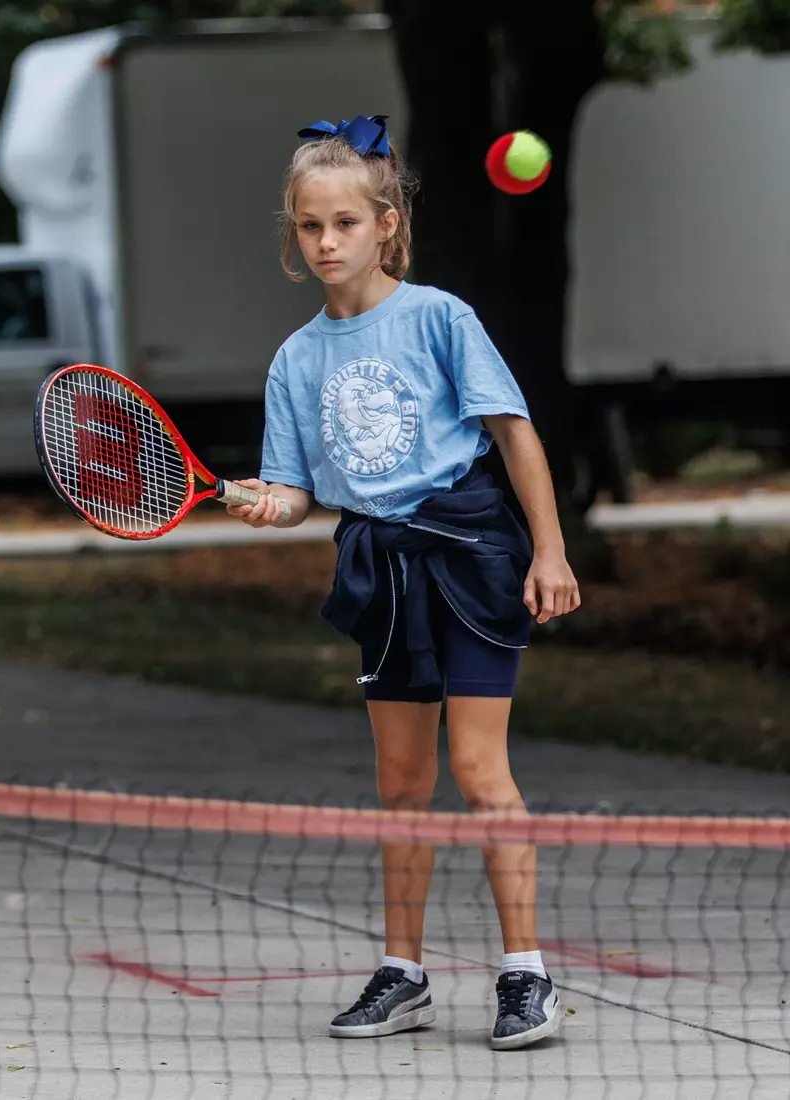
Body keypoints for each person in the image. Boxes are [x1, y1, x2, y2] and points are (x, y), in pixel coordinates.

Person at [227, 114, 581, 1050]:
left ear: (385, 223)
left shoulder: (438, 318)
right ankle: (403, 973)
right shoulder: (295, 360)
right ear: (295, 236)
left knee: (477, 767)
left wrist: (549, 551)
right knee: (400, 778)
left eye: (346, 222)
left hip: (469, 551)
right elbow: (297, 489)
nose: (329, 240)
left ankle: (526, 976)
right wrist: (273, 506)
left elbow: (514, 435)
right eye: (311, 226)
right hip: (379, 566)